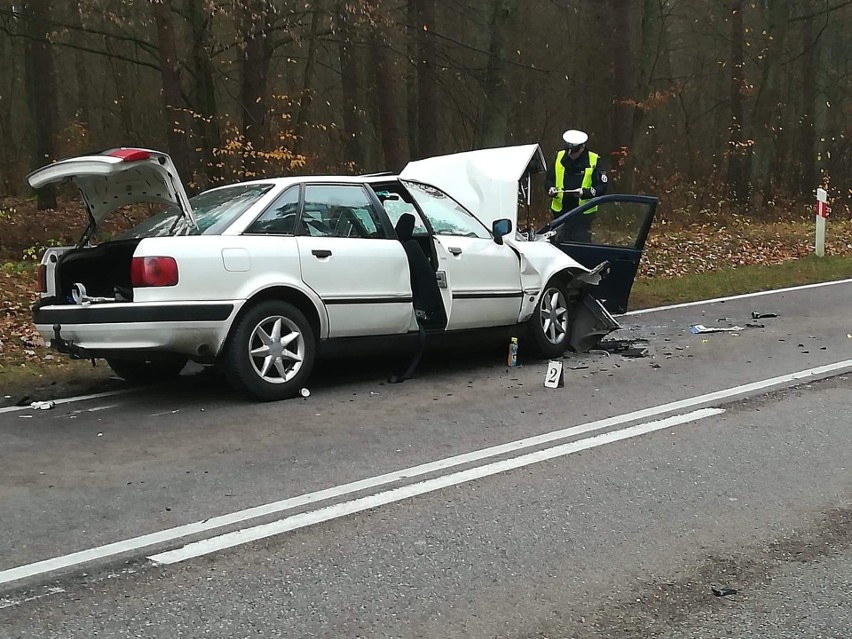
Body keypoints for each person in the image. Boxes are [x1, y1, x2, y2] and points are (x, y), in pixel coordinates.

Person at [545, 129, 608, 242]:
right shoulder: (560, 156)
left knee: (579, 246)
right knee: (557, 245)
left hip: (582, 213)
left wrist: (585, 193)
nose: (570, 154)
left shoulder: (593, 160)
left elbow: (602, 187)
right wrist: (550, 189)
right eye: (568, 151)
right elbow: (549, 179)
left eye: (574, 152)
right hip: (560, 212)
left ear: (582, 148)